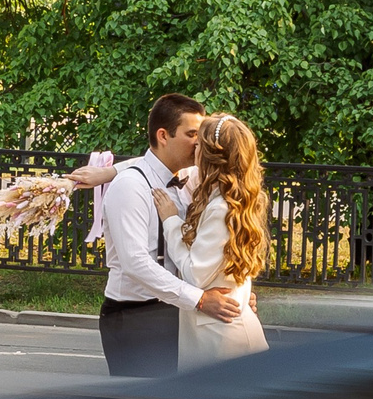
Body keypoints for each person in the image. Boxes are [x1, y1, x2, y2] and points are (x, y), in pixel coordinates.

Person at [72, 95, 245, 377]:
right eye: (191, 134)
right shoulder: (130, 187)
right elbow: (135, 263)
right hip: (137, 316)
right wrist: (200, 300)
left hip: (179, 311)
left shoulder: (191, 177)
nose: (199, 144)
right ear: (163, 135)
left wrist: (239, 288)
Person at [149, 113, 268, 367]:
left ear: (212, 156)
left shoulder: (221, 208)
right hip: (220, 332)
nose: (194, 150)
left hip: (221, 340)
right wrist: (109, 171)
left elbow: (195, 275)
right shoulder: (233, 198)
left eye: (199, 145)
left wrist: (171, 221)